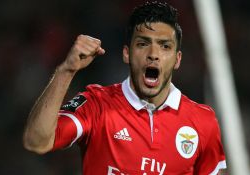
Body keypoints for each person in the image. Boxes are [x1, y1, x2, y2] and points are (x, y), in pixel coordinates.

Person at [23, 1, 227, 174]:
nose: (153, 54)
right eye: (143, 43)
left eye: (165, 46)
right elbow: (36, 141)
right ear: (127, 53)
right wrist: (66, 70)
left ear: (177, 59)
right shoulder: (97, 105)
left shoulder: (203, 122)